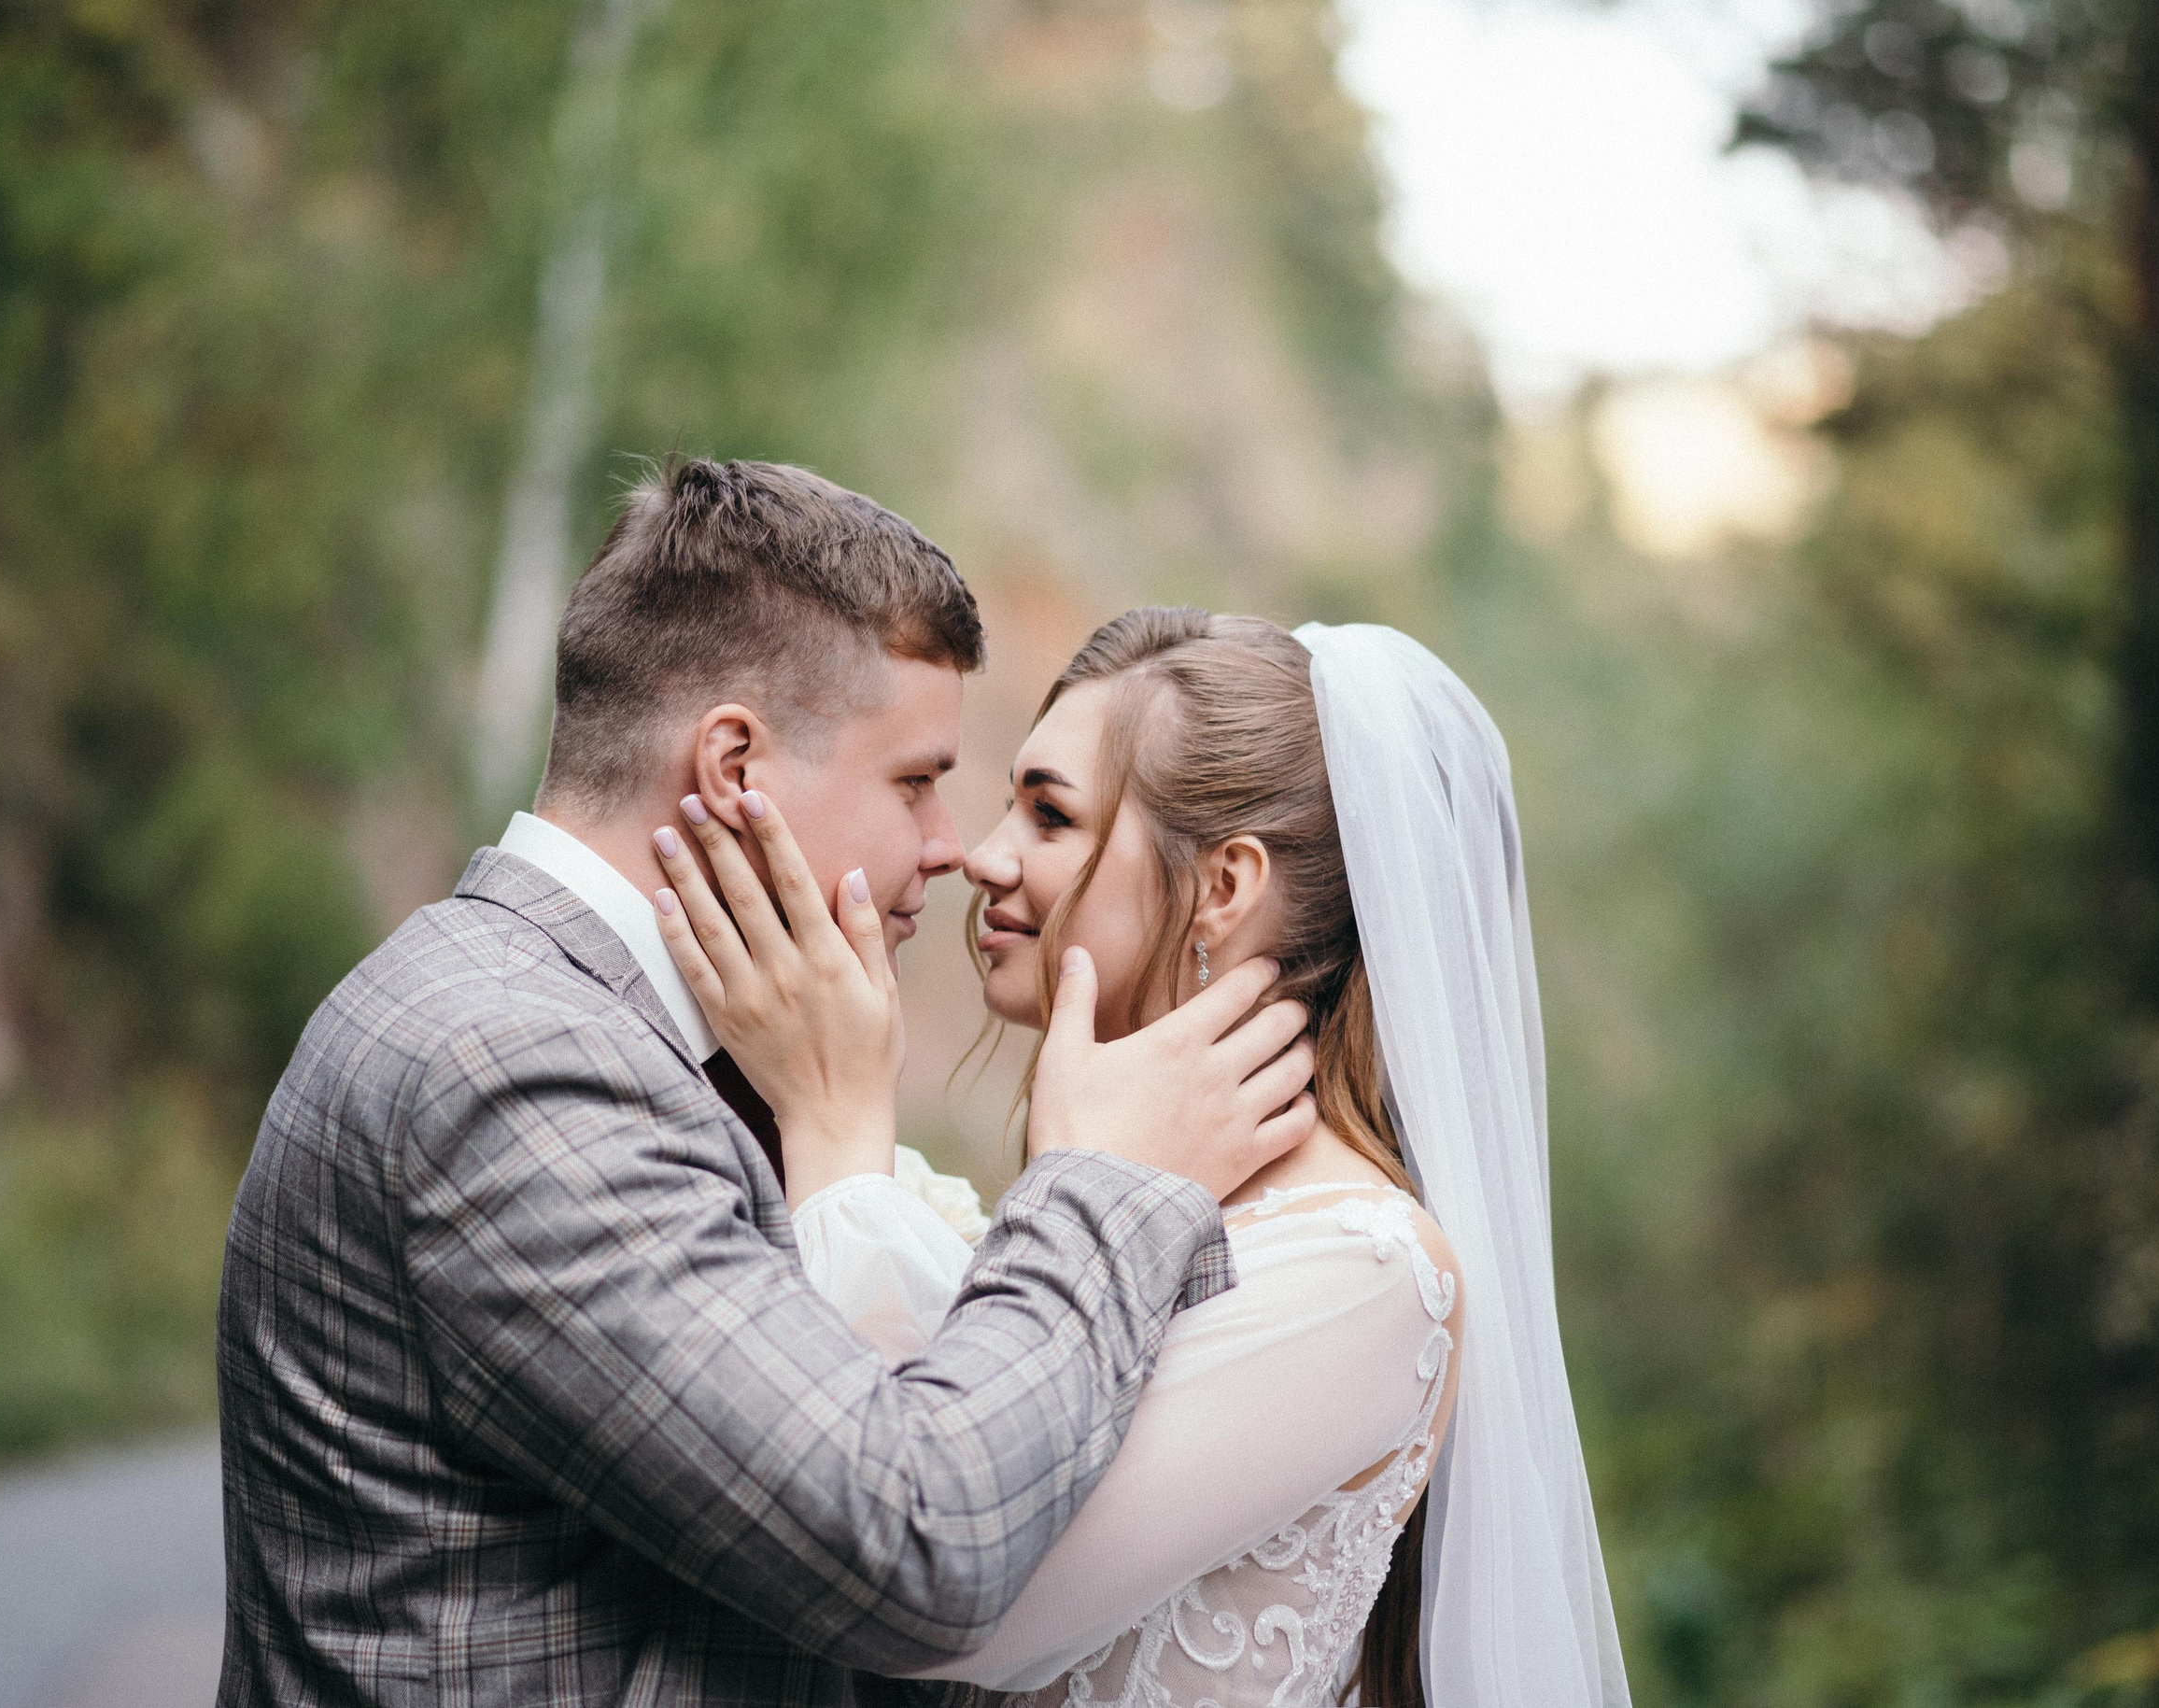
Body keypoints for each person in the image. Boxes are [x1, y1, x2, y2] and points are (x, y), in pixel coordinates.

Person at [213, 461, 1319, 1708]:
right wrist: (1107, 1184)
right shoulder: (514, 1069)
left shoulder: (587, 1036)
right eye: (915, 780)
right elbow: (916, 1541)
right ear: (735, 764)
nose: (950, 846)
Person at [658, 610, 1631, 1705]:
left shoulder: (1365, 1274)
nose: (984, 853)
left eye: (1050, 813)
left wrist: (836, 1129)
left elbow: (935, 1604)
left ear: (1223, 885)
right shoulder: (1124, 1192)